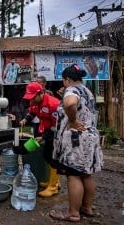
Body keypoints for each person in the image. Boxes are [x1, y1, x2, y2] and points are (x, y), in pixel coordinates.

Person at [49, 64, 103, 222]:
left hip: (76, 140)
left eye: (63, 80)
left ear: (67, 79)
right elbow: (79, 107)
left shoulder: (71, 90)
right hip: (90, 137)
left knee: (73, 175)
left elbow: (70, 104)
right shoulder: (87, 91)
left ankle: (73, 213)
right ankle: (87, 208)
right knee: (86, 174)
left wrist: (72, 120)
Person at [19, 81, 60, 197]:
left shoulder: (53, 105)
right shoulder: (34, 102)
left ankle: (53, 187)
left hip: (57, 131)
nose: (31, 100)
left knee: (53, 157)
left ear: (41, 93)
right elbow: (32, 112)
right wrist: (25, 119)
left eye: (33, 97)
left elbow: (57, 127)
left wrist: (43, 137)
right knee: (47, 155)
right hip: (46, 129)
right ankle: (52, 181)